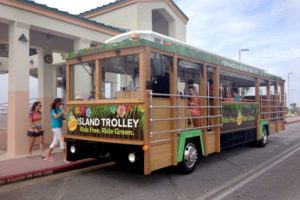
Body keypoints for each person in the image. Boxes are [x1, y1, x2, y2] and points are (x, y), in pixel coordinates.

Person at [44, 98, 69, 163]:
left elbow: (63, 118)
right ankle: (65, 158)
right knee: (62, 141)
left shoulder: (59, 109)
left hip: (58, 127)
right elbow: (55, 116)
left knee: (55, 143)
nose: (60, 104)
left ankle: (48, 156)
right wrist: (61, 112)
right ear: (56, 103)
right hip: (56, 127)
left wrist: (66, 116)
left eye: (61, 103)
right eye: (59, 103)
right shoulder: (53, 110)